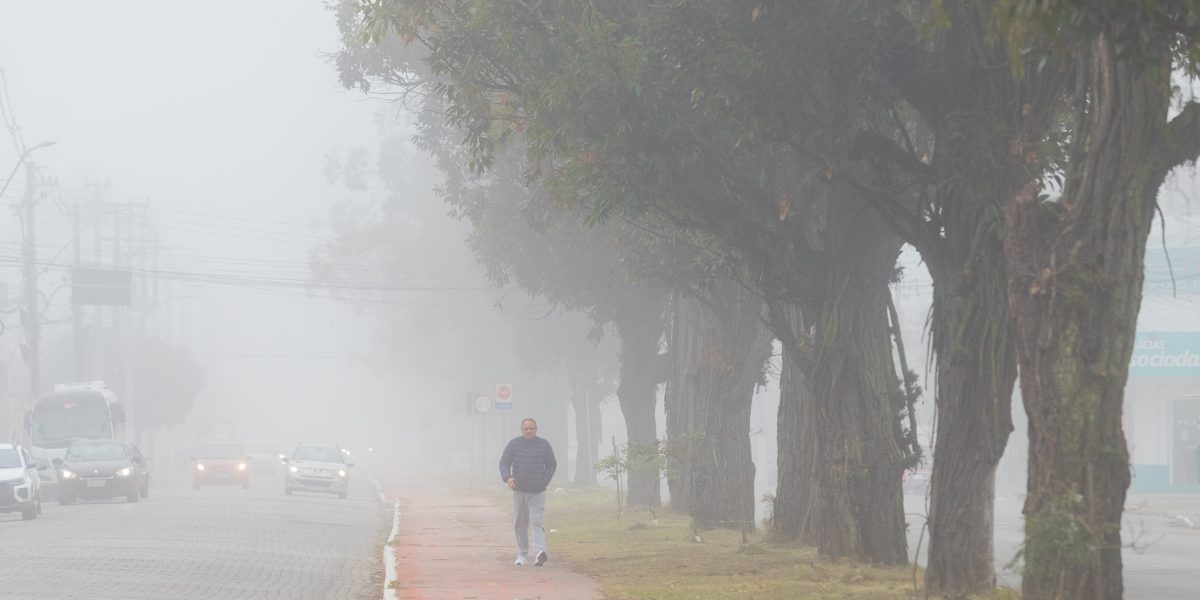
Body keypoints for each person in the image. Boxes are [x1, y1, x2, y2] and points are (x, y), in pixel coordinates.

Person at [498, 417, 557, 567]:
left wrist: (544, 481)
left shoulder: (544, 445)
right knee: (520, 524)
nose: (529, 431)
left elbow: (551, 465)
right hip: (519, 490)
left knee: (537, 521)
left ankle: (539, 553)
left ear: (536, 430)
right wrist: (508, 478)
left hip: (537, 491)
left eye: (531, 428)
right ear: (522, 429)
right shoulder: (514, 444)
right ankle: (522, 554)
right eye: (526, 428)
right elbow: (504, 462)